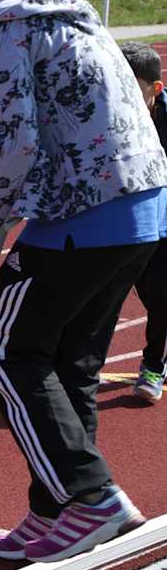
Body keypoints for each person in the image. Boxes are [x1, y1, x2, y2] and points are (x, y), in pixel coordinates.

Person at [0, 0, 164, 563]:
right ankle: (55, 512)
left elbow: (18, 145)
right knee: (70, 363)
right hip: (144, 210)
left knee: (8, 351)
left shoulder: (1, 27)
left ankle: (92, 497)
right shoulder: (68, 11)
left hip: (83, 217)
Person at [121, 42, 167, 403]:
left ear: (156, 88)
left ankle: (153, 365)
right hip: (125, 219)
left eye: (133, 89)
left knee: (163, 298)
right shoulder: (108, 113)